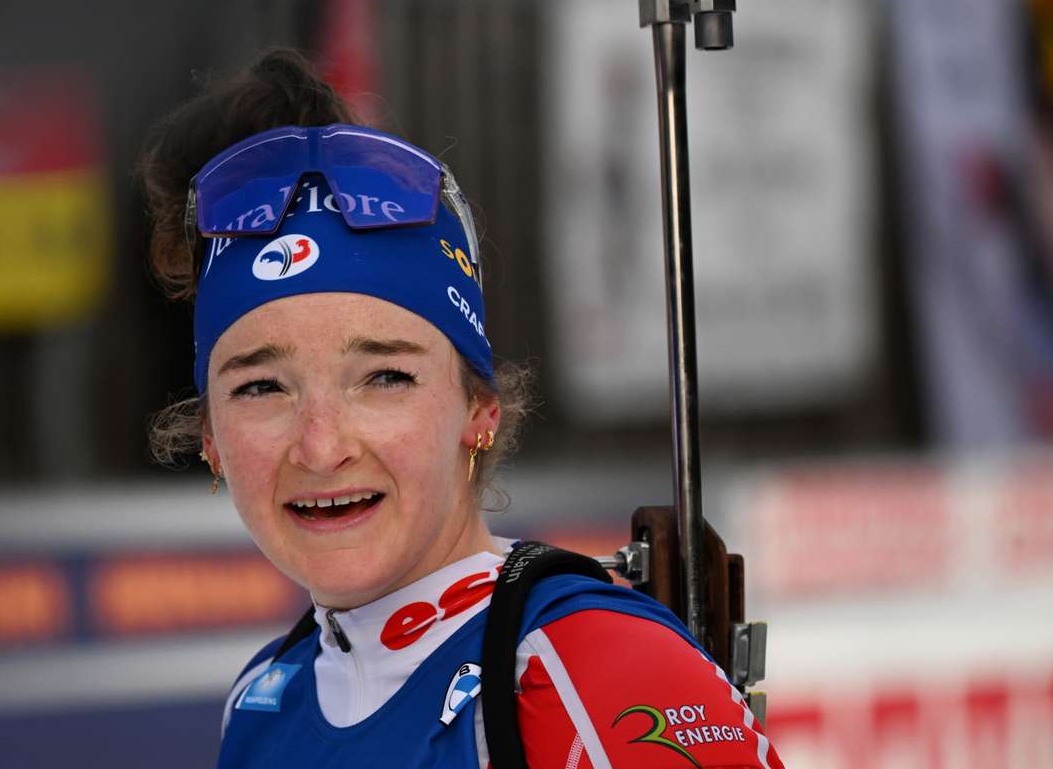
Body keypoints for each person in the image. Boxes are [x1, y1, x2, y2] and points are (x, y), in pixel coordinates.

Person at [138, 48, 784, 769]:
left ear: (480, 409)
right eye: (262, 388)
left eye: (383, 377)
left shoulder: (580, 667)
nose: (321, 447)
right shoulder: (263, 704)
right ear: (212, 440)